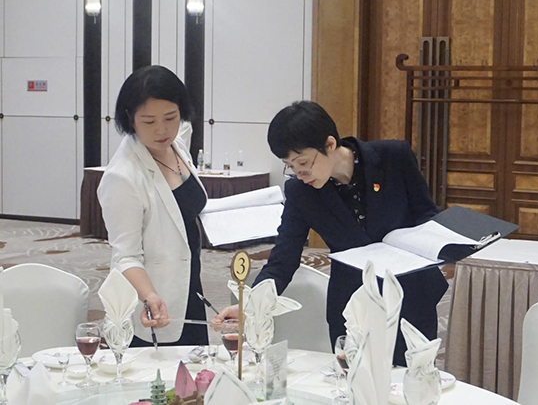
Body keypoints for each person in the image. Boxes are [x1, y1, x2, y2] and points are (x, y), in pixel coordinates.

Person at [214, 100, 449, 365]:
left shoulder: (393, 157)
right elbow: (283, 259)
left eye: (303, 162)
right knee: (351, 378)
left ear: (329, 144)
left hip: (409, 295)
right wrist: (250, 306)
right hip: (351, 305)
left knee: (412, 377)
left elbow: (426, 214)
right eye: (290, 165)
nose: (300, 174)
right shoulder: (301, 192)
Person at [98, 65, 209, 347]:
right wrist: (149, 296)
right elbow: (125, 256)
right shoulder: (122, 176)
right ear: (130, 119)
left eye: (171, 118)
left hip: (188, 284)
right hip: (153, 300)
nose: (162, 130)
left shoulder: (177, 147)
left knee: (195, 372)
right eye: (148, 121)